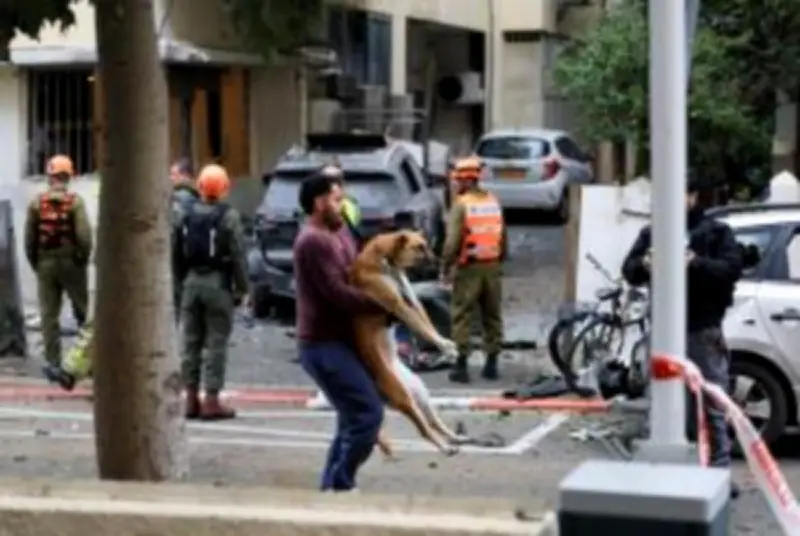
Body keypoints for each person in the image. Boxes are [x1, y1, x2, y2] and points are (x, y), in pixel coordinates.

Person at [621, 177, 743, 479]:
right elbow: (629, 270)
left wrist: (695, 263)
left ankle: (718, 475)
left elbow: (730, 270)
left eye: (681, 195)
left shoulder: (715, 232)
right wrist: (645, 264)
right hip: (663, 331)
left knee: (712, 403)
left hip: (701, 329)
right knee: (661, 402)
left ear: (693, 196)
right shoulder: (653, 233)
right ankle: (662, 475)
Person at [293, 171, 385, 492]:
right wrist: (381, 305)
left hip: (342, 341)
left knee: (350, 418)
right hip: (322, 345)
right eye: (336, 199)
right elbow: (337, 293)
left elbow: (358, 271)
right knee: (367, 414)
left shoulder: (341, 231)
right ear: (319, 203)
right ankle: (342, 483)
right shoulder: (312, 241)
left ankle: (330, 488)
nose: (342, 205)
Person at [177, 163, 248, 420]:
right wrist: (242, 289)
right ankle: (211, 399)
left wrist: (180, 284)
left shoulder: (185, 214)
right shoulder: (229, 217)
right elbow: (239, 255)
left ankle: (190, 398)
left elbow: (176, 252)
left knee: (190, 342)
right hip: (218, 283)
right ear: (225, 189)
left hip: (191, 283)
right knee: (216, 342)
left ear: (199, 187)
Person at [24, 155, 92, 381]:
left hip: (45, 264)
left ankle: (53, 362)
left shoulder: (36, 203)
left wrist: (37, 263)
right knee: (83, 312)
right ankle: (85, 362)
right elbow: (84, 236)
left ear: (50, 176)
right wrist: (81, 258)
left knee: (49, 316)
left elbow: (29, 239)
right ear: (69, 176)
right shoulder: (75, 202)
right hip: (72, 263)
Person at [441, 156, 507, 383]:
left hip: (469, 267)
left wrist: (445, 266)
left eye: (458, 180)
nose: (456, 184)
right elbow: (503, 236)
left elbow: (452, 242)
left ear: (465, 181)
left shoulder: (462, 205)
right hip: (492, 265)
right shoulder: (492, 201)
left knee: (462, 314)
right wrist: (500, 260)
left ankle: (461, 366)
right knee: (492, 314)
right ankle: (492, 364)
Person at [170, 158, 199, 321]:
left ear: (184, 175)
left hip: (178, 257)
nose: (170, 178)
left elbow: (173, 228)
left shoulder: (177, 199)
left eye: (173, 174)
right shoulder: (198, 198)